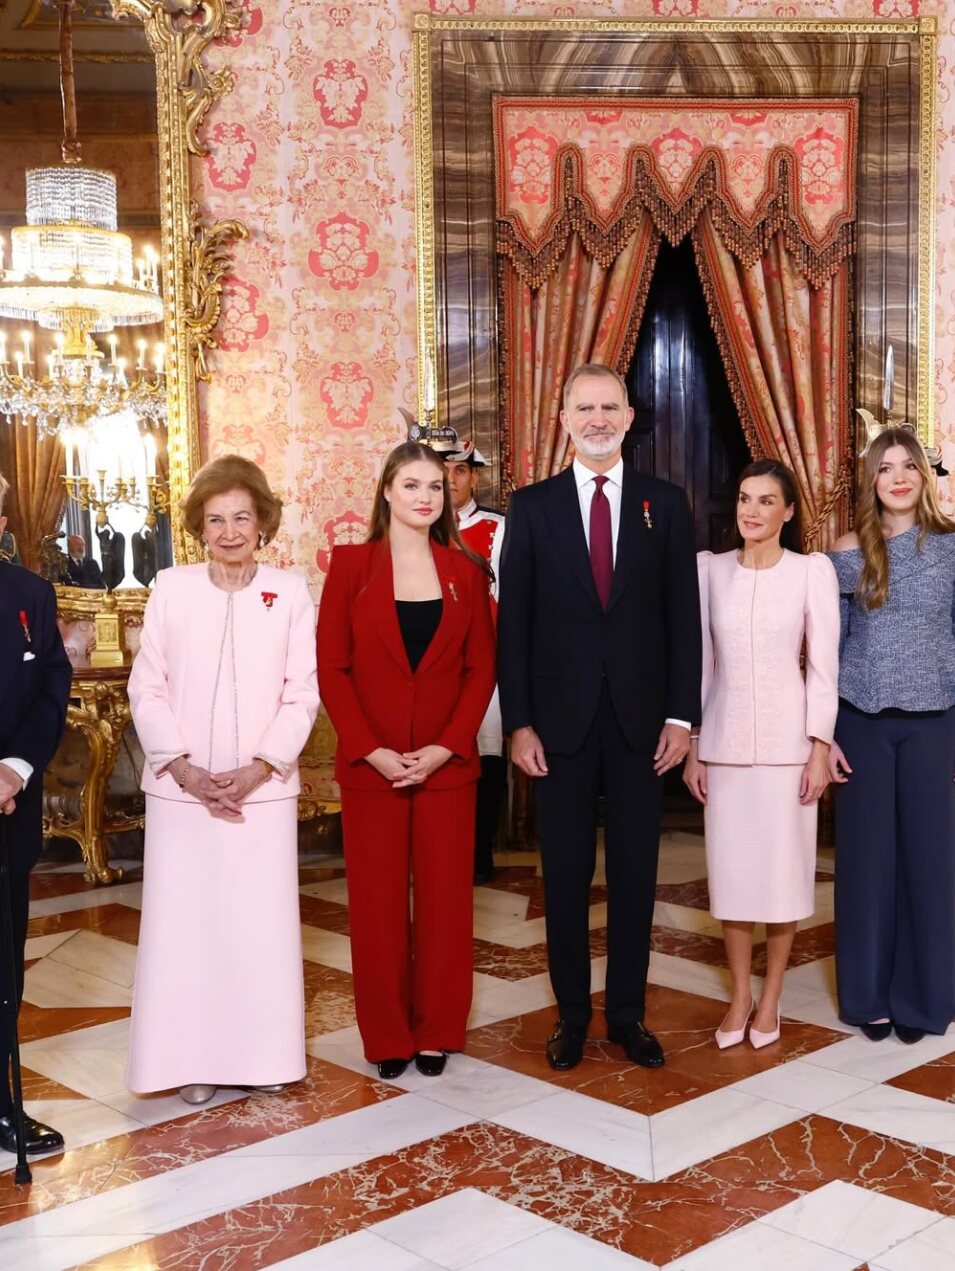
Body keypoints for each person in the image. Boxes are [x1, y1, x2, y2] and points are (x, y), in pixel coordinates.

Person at [498, 363, 702, 1072]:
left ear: (628, 414)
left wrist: (682, 718)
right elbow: (513, 627)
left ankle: (626, 1016)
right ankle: (571, 1018)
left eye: (608, 406)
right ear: (563, 419)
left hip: (643, 726)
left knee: (636, 877)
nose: (596, 418)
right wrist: (518, 722)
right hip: (556, 727)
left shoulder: (664, 504)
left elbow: (684, 621)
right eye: (582, 406)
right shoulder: (531, 507)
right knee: (562, 878)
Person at [127, 455, 319, 1103]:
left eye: (241, 516)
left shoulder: (289, 592)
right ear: (198, 526)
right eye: (216, 519)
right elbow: (147, 686)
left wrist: (258, 767)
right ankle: (191, 1061)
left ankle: (263, 1055)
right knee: (189, 931)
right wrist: (180, 765)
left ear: (262, 521)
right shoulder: (171, 588)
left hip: (260, 795)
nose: (231, 530)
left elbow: (302, 694)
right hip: (182, 796)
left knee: (256, 929)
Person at [317, 440, 495, 1081]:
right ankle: (387, 1034)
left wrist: (447, 745)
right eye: (412, 485)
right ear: (387, 491)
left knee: (448, 906)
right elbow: (332, 668)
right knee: (377, 908)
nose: (425, 497)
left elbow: (481, 671)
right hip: (374, 768)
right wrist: (371, 749)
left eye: (435, 488)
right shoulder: (351, 566)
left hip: (447, 767)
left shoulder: (466, 571)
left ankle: (438, 1031)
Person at [683, 460, 839, 1049]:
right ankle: (740, 994)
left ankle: (772, 996)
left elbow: (825, 667)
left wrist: (819, 748)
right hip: (722, 746)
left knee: (782, 878)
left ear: (789, 511)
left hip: (788, 747)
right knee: (732, 878)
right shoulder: (709, 571)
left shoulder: (810, 573)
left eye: (766, 501)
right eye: (745, 499)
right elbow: (700, 666)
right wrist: (695, 742)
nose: (751, 511)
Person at [827, 426, 955, 1044]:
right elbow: (826, 648)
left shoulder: (952, 548)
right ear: (871, 479)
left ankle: (925, 998)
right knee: (866, 865)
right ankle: (868, 996)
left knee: (931, 864)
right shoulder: (849, 549)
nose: (899, 477)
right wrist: (823, 736)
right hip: (862, 722)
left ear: (924, 477)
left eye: (909, 466)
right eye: (886, 467)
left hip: (937, 724)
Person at [0, 468, 72, 1154]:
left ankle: (0, 1103)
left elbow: (52, 686)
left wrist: (15, 767)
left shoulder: (30, 595)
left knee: (2, 962)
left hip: (6, 808)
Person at [443, 438, 506, 883]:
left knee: (487, 757)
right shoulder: (415, 527)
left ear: (475, 477)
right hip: (432, 666)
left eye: (460, 471)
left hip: (485, 663)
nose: (451, 480)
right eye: (442, 471)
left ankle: (480, 854)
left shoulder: (497, 528)